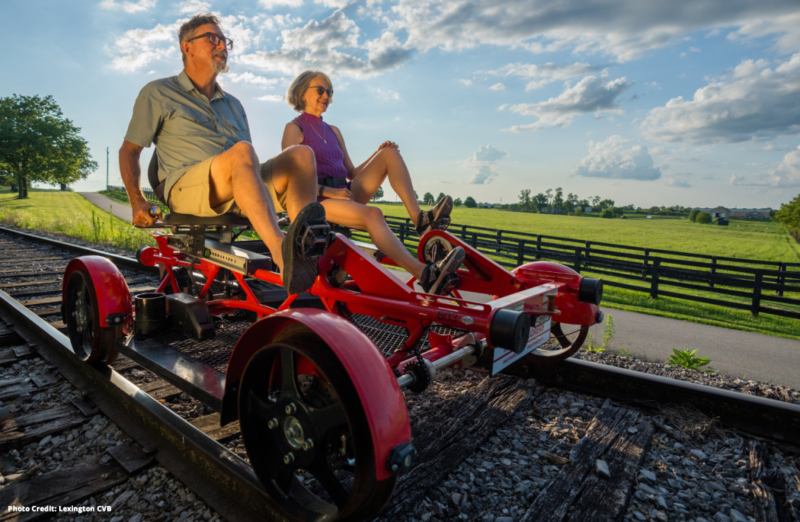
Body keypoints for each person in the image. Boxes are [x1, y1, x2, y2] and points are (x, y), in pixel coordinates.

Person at [119, 14, 327, 294]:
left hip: (235, 181)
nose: (223, 45)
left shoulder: (234, 105)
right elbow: (129, 151)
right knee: (242, 152)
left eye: (225, 41)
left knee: (301, 155)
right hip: (186, 187)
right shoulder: (158, 92)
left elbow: (247, 164)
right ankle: (281, 249)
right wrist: (137, 201)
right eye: (213, 38)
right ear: (187, 47)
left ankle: (303, 242)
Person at [281, 70, 464, 295]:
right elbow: (293, 179)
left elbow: (352, 173)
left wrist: (377, 155)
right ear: (302, 92)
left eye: (329, 92)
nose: (326, 95)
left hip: (344, 193)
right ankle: (426, 275)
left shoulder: (334, 131)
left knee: (389, 154)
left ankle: (421, 220)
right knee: (373, 214)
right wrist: (329, 191)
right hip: (317, 200)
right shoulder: (294, 128)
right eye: (320, 90)